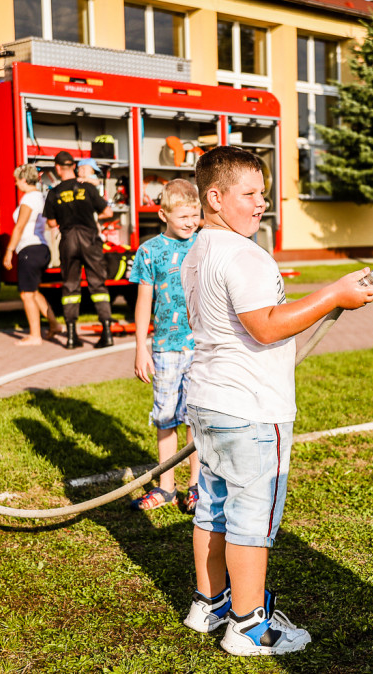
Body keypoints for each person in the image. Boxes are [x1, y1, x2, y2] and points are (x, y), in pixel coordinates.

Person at [180, 147, 373, 656]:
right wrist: (335, 294)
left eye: (263, 194)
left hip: (207, 401)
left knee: (213, 509)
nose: (261, 203)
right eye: (250, 194)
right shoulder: (244, 254)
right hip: (249, 411)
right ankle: (248, 626)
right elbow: (265, 327)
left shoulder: (200, 248)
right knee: (250, 517)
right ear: (215, 197)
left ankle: (210, 603)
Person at [128, 179, 202, 513]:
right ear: (163, 215)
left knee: (196, 419)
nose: (191, 222)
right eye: (184, 215)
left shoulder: (205, 245)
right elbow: (144, 300)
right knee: (166, 417)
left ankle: (196, 486)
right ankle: (166, 487)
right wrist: (141, 346)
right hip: (165, 349)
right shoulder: (149, 251)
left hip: (202, 348)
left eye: (195, 215)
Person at [42, 151, 115, 349]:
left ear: (57, 168)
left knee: (70, 287)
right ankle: (107, 333)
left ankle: (72, 337)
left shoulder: (54, 192)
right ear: (73, 167)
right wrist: (91, 218)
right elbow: (108, 211)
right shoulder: (88, 189)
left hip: (68, 241)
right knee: (98, 286)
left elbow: (51, 222)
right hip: (90, 239)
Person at [2, 164, 63, 346]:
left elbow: (19, 226)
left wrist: (9, 250)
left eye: (16, 180)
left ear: (23, 179)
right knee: (34, 291)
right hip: (41, 248)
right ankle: (54, 324)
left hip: (29, 248)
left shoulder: (29, 199)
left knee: (26, 294)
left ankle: (35, 336)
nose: (15, 184)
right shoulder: (41, 197)